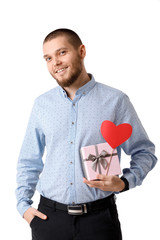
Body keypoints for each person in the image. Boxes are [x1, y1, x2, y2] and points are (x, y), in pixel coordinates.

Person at [16, 28, 157, 240]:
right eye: (48, 57)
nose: (55, 62)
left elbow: (144, 152)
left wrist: (125, 182)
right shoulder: (42, 105)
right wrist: (24, 207)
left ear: (81, 51)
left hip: (99, 221)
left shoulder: (116, 101)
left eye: (62, 52)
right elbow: (29, 160)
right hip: (49, 220)